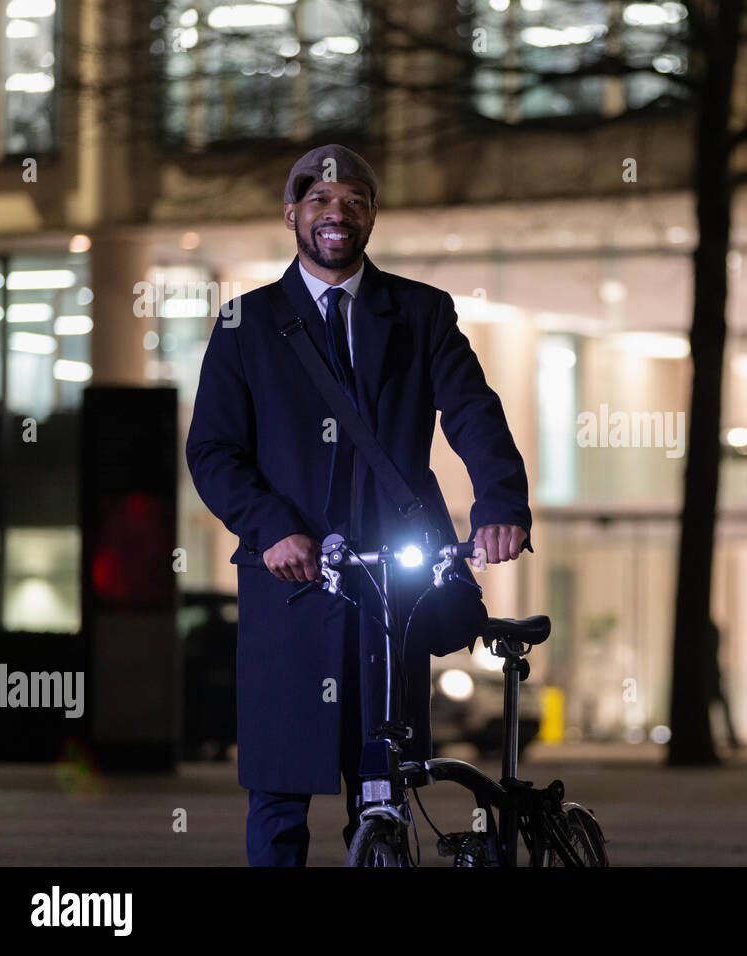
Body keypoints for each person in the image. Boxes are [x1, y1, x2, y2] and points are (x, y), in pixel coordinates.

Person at [185, 144, 533, 866]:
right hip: (290, 591)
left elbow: (473, 412)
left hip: (388, 591)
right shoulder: (242, 325)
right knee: (279, 799)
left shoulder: (421, 312)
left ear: (372, 215)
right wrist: (273, 527)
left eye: (353, 202)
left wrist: (499, 502)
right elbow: (213, 451)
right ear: (292, 214)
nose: (336, 215)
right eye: (319, 201)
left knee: (384, 787)